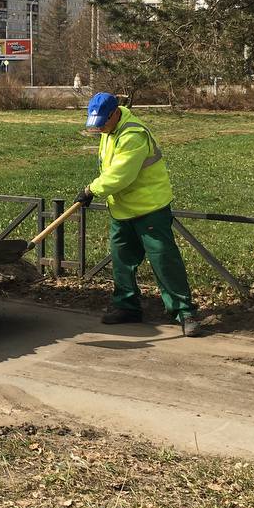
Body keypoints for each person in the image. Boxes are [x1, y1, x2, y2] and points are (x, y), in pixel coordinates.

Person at [75, 92, 200, 337]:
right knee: (122, 261)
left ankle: (184, 311)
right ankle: (127, 306)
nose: (99, 128)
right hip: (121, 209)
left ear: (115, 113)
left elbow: (121, 175)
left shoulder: (133, 134)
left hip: (149, 208)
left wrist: (91, 190)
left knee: (164, 260)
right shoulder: (109, 132)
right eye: (95, 123)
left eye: (102, 122)